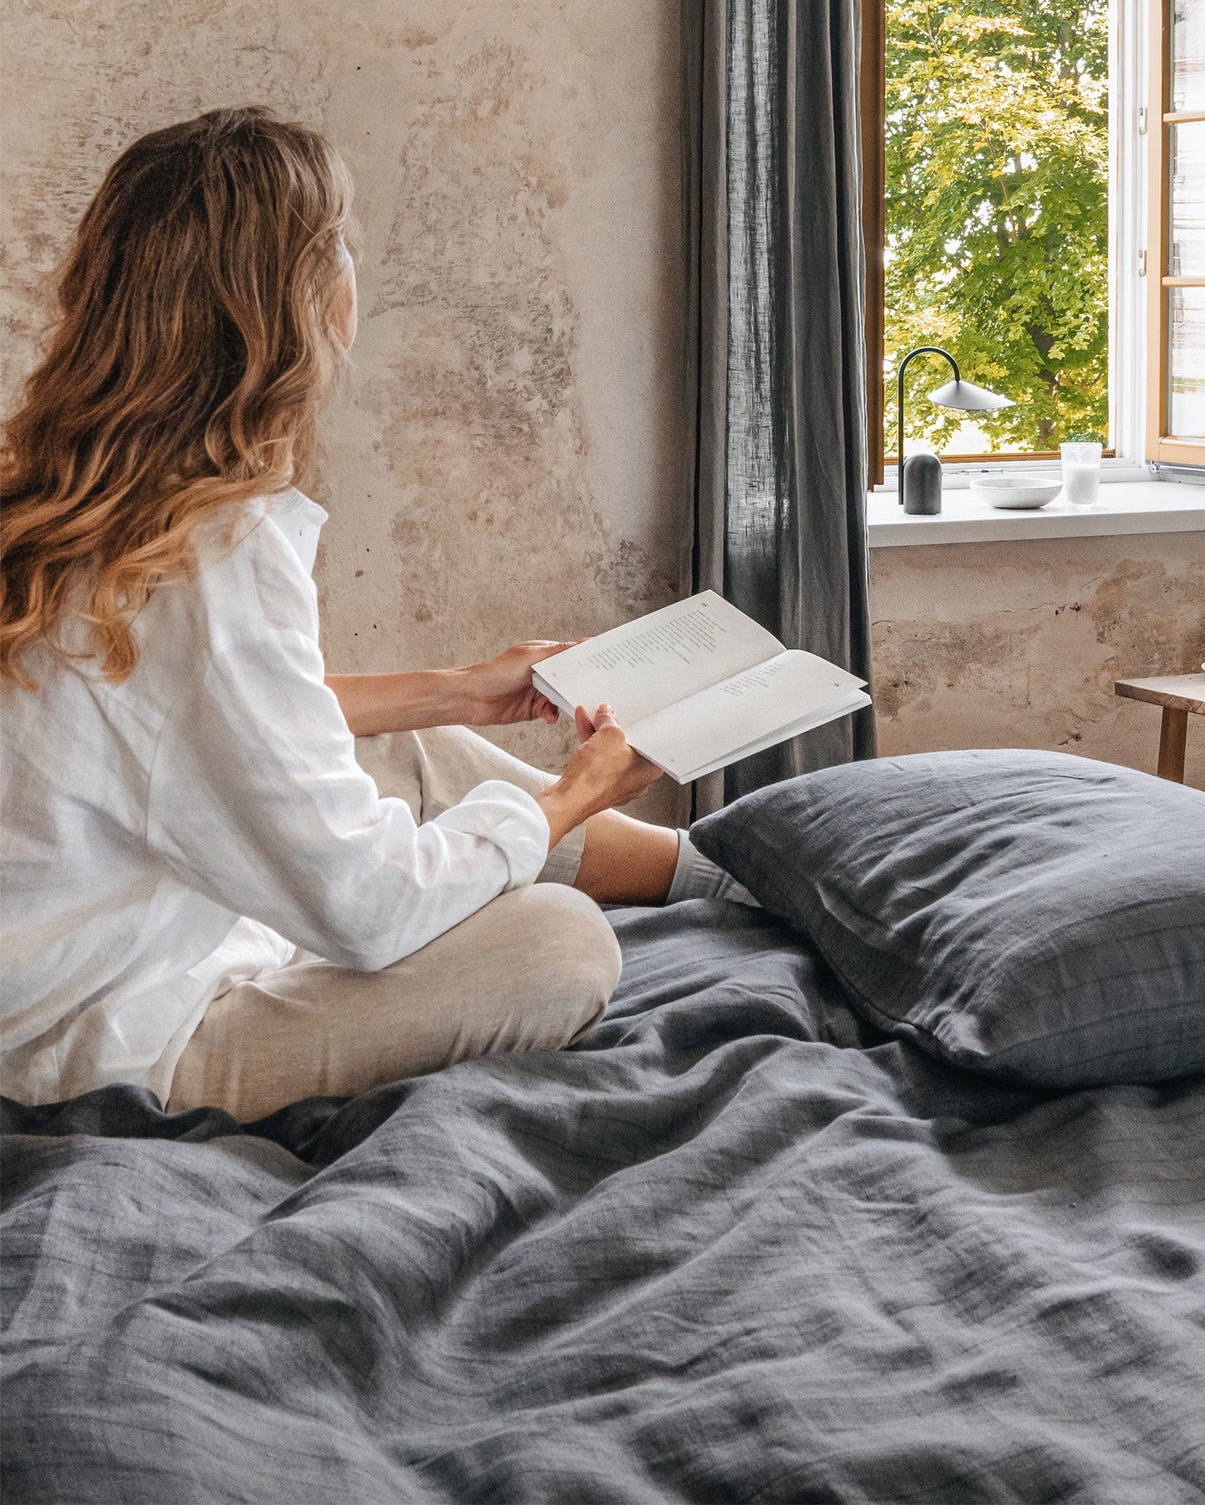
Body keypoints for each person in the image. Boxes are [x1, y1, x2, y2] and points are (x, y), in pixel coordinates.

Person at [0, 107, 750, 1123]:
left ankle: (720, 877)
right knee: (558, 946)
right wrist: (578, 789)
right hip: (98, 1037)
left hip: (67, 955)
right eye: (340, 243)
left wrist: (454, 691)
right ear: (294, 304)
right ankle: (746, 879)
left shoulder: (56, 487)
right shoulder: (211, 557)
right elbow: (365, 913)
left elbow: (170, 724)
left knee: (421, 747)